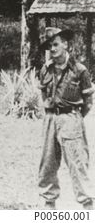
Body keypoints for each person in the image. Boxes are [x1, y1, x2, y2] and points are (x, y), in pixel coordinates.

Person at [37, 27, 93, 210]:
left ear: (66, 45)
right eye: (49, 46)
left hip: (71, 117)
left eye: (55, 44)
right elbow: (43, 94)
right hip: (50, 119)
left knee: (77, 162)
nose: (52, 49)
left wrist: (74, 116)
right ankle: (49, 201)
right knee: (48, 162)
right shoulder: (46, 69)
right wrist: (48, 110)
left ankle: (87, 203)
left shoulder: (79, 70)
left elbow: (88, 101)